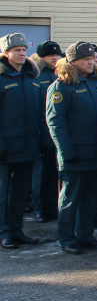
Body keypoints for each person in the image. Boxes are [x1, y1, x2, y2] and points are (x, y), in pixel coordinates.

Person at [47, 41, 97, 254]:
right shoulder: (61, 86)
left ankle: (86, 235)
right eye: (86, 59)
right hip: (75, 154)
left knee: (91, 198)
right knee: (69, 199)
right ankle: (67, 238)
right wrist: (66, 152)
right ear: (73, 62)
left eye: (92, 58)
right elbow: (56, 122)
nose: (91, 62)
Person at [0, 33, 42, 249]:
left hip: (27, 146)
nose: (22, 53)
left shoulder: (32, 78)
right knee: (2, 193)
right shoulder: (1, 79)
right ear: (6, 53)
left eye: (24, 50)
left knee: (20, 192)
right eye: (17, 50)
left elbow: (39, 114)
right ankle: (4, 232)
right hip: (5, 149)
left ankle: (17, 229)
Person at [29, 41, 62, 223]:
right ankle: (39, 208)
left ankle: (51, 206)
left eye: (57, 55)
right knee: (39, 173)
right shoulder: (36, 74)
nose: (55, 58)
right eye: (51, 56)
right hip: (41, 131)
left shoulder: (58, 74)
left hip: (55, 132)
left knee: (52, 173)